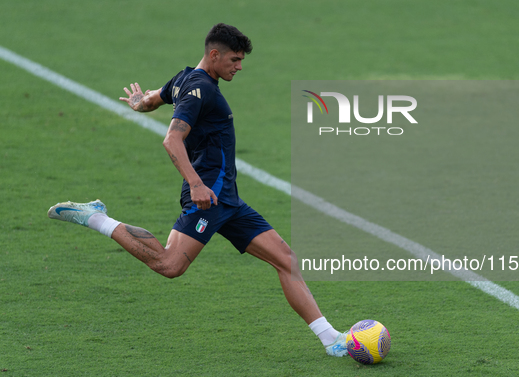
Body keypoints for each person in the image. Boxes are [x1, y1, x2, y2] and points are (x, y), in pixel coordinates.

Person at [47, 23, 347, 357]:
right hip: (208, 197)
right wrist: (196, 184)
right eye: (234, 59)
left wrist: (139, 102)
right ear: (214, 54)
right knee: (169, 265)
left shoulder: (183, 79)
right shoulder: (199, 90)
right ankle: (95, 218)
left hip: (228, 199)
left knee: (286, 260)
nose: (240, 66)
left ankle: (331, 339)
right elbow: (171, 139)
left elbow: (152, 99)